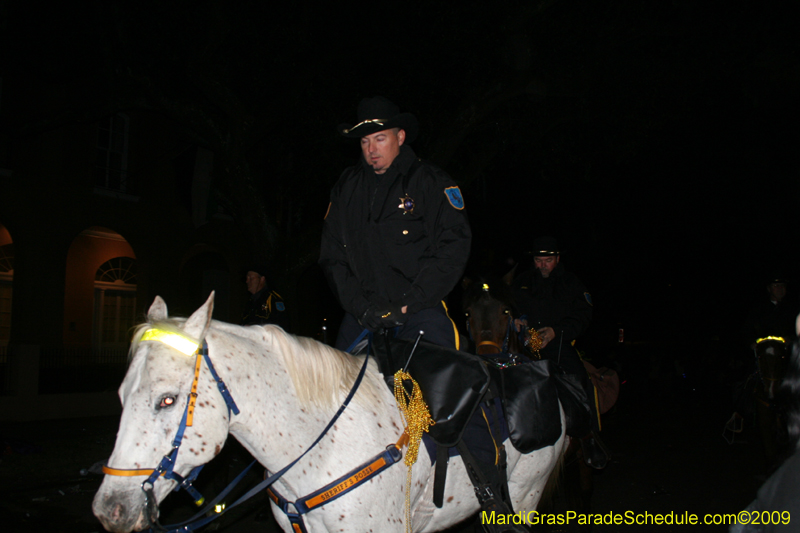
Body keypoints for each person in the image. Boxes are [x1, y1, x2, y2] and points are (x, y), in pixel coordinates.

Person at [319, 96, 471, 352]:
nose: (371, 149)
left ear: (400, 137)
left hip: (419, 309)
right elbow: (332, 256)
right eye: (365, 141)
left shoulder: (429, 182)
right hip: (364, 314)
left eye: (380, 139)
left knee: (440, 382)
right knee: (334, 384)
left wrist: (407, 305)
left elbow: (453, 247)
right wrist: (361, 307)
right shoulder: (346, 188)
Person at [511, 236, 608, 468]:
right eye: (538, 260)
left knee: (581, 381)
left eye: (548, 260)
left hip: (559, 345)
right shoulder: (521, 282)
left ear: (557, 258)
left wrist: (557, 332)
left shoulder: (571, 283)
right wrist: (513, 322)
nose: (543, 265)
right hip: (526, 347)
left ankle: (589, 438)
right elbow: (508, 308)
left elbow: (583, 315)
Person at [731, 316, 800, 533]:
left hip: (784, 353)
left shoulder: (787, 309)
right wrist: (754, 342)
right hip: (762, 352)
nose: (780, 290)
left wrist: (788, 340)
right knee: (746, 382)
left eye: (782, 286)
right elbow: (747, 330)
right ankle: (739, 415)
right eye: (776, 286)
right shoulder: (760, 310)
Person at [242, 266, 289, 330]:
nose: (247, 281)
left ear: (262, 279)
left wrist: (254, 328)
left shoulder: (273, 298)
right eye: (247, 278)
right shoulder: (249, 303)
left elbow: (281, 324)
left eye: (251, 278)